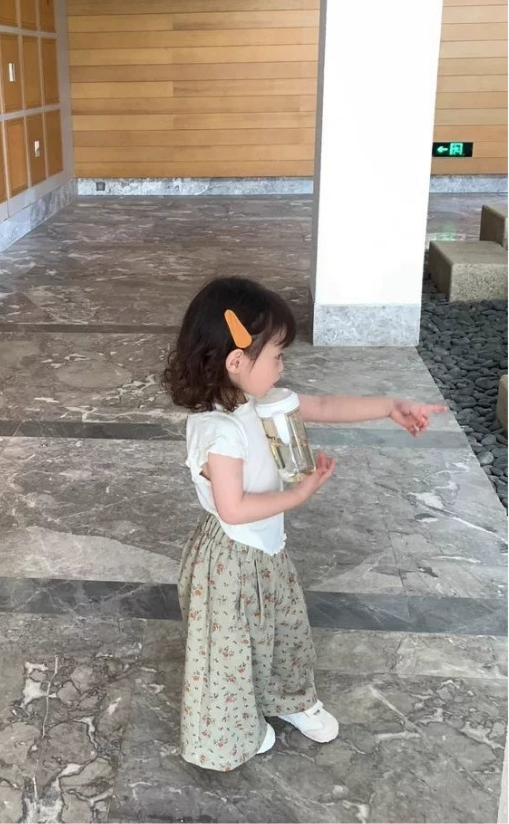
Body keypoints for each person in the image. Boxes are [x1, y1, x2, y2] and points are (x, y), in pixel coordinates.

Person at [162, 276, 446, 772]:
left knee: (283, 625)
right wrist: (298, 493)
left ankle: (290, 697)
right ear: (236, 361)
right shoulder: (218, 431)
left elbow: (323, 407)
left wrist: (390, 407)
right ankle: (238, 729)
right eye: (277, 355)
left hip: (265, 551)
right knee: (232, 648)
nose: (282, 366)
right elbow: (233, 508)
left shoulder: (258, 400)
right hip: (231, 560)